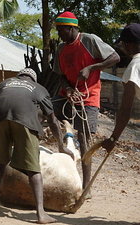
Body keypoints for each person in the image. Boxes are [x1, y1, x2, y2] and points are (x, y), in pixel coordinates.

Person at [0, 68, 73, 224]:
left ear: (20, 76)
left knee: (0, 162)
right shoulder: (39, 89)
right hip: (23, 120)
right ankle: (41, 214)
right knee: (33, 169)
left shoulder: (5, 83)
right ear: (33, 79)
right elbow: (52, 120)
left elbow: (1, 103)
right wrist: (61, 146)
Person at [52, 11, 120, 190]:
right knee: (47, 111)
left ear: (71, 27)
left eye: (61, 30)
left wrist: (91, 67)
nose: (58, 34)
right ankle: (59, 153)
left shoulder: (89, 40)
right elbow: (60, 75)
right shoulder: (61, 48)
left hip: (88, 97)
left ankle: (86, 186)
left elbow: (115, 57)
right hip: (67, 95)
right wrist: (67, 88)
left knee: (84, 138)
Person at [102, 23, 140, 151]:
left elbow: (125, 109)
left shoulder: (134, 66)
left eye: (122, 44)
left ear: (127, 45)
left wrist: (113, 139)